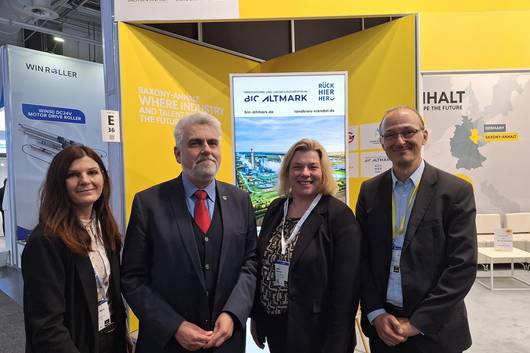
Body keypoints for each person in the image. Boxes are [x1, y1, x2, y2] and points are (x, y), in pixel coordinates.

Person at [121, 112, 258, 353]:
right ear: (177, 154)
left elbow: (250, 263)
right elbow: (133, 278)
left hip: (225, 341)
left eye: (212, 142)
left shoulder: (240, 200)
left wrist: (233, 313)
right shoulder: (148, 204)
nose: (206, 149)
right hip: (167, 344)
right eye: (195, 143)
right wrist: (174, 326)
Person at [356, 106, 477, 353]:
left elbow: (462, 266)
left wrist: (417, 323)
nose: (399, 141)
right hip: (385, 327)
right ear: (382, 142)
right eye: (390, 135)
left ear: (424, 135)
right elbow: (361, 258)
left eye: (408, 132)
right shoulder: (369, 192)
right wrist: (376, 314)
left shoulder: (455, 192)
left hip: (436, 330)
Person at [251, 138, 362, 353]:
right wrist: (257, 317)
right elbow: (260, 268)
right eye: (297, 167)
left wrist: (337, 343)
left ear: (323, 172)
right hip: (276, 326)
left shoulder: (338, 216)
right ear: (287, 172)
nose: (305, 173)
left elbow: (347, 289)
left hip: (317, 333)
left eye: (312, 167)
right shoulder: (276, 209)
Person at [22, 145, 129, 353]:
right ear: (59, 184)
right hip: (72, 344)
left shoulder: (105, 229)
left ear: (103, 179)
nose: (85, 180)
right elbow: (47, 327)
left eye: (92, 172)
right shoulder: (45, 242)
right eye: (73, 174)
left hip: (108, 338)